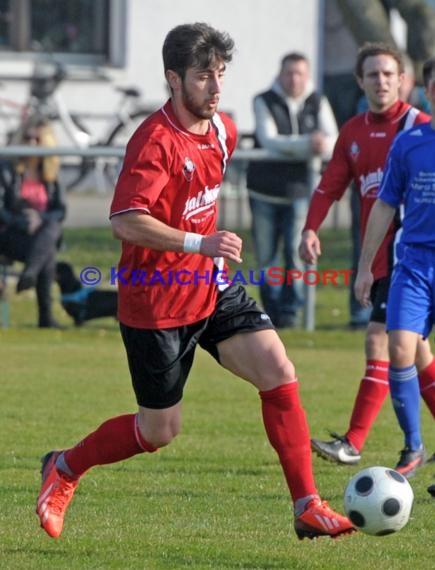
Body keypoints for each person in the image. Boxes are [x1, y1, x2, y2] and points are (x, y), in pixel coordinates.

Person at [35, 23, 355, 541]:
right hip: (156, 302)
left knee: (278, 369)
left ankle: (307, 504)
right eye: (203, 75)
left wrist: (208, 253)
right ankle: (65, 467)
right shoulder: (153, 140)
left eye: (220, 73)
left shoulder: (225, 129)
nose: (215, 85)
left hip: (211, 286)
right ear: (173, 79)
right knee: (158, 431)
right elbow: (124, 218)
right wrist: (196, 243)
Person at [299, 42, 435, 477]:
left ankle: (357, 442)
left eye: (388, 74)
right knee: (405, 350)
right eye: (372, 74)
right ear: (360, 81)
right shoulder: (356, 133)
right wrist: (310, 228)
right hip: (395, 259)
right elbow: (330, 186)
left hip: (402, 254)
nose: (380, 82)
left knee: (393, 345)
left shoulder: (418, 126)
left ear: (406, 82)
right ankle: (394, 446)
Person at [354, 55, 435, 491]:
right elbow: (385, 204)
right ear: (426, 91)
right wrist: (366, 265)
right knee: (399, 347)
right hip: (416, 264)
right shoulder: (409, 144)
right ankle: (414, 447)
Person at [246, 52, 337, 328]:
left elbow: (334, 141)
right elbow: (270, 141)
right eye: (289, 73)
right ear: (280, 74)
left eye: (299, 73)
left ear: (307, 75)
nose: (294, 78)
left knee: (296, 257)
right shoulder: (263, 100)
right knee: (267, 259)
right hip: (264, 191)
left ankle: (290, 315)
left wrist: (317, 145)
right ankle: (270, 314)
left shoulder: (317, 101)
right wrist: (309, 144)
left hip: (300, 193)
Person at [0, 117, 66, 328]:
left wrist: (40, 219)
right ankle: (45, 316)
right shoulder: (7, 168)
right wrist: (23, 221)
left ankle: (29, 273)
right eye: (27, 138)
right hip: (10, 233)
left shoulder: (52, 174)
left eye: (37, 139)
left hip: (40, 235)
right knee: (46, 252)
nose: (32, 143)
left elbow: (60, 210)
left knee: (50, 230)